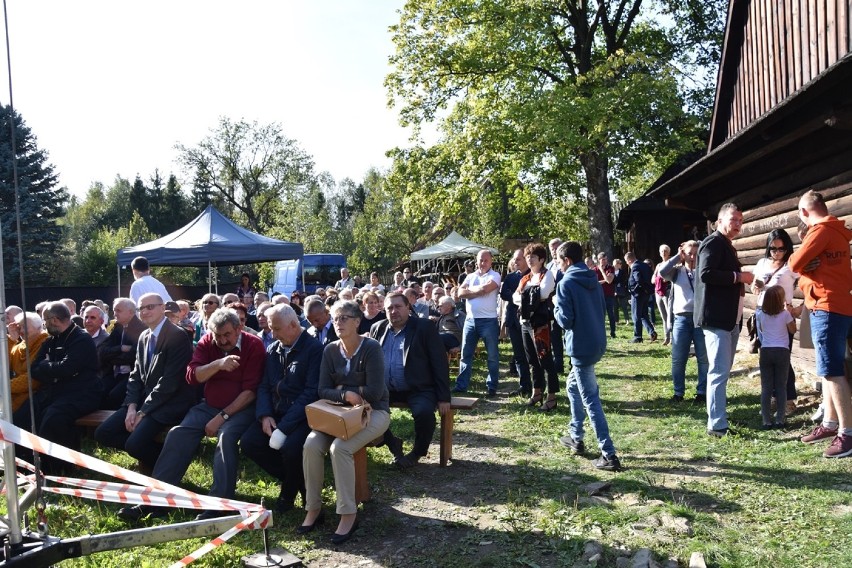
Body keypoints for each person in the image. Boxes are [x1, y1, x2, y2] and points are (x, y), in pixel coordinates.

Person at [118, 307, 264, 521]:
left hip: (241, 408)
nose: (222, 341)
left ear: (239, 328)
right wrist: (218, 364)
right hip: (209, 406)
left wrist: (222, 417)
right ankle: (157, 500)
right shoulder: (207, 342)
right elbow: (192, 376)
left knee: (226, 437)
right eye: (218, 335)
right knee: (178, 433)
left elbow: (250, 392)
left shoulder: (254, 345)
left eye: (227, 335)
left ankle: (220, 505)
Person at [300, 301, 390, 544]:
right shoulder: (329, 350)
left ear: (357, 321)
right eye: (336, 318)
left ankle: (348, 513)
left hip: (374, 413)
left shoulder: (371, 348)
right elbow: (322, 390)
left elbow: (374, 391)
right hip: (336, 413)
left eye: (344, 318)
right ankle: (313, 508)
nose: (338, 323)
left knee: (340, 448)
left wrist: (342, 387)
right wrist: (345, 394)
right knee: (311, 444)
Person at [95, 293, 195, 475]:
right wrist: (131, 406)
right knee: (103, 433)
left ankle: (168, 469)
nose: (145, 311)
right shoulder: (144, 336)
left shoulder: (177, 336)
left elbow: (169, 383)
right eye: (141, 308)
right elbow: (135, 375)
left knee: (134, 444)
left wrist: (143, 411)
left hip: (169, 402)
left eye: (150, 307)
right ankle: (162, 461)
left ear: (163, 307)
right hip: (144, 400)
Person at [240, 304, 322, 513]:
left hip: (302, 416)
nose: (273, 334)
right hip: (275, 413)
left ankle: (288, 491)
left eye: (276, 329)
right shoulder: (273, 350)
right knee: (249, 443)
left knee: (292, 448)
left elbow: (311, 393)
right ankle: (296, 483)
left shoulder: (314, 350)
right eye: (270, 328)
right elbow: (265, 386)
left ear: (294, 325)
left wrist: (284, 428)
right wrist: (265, 416)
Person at [789, 190, 852, 457]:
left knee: (832, 370)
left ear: (804, 212)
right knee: (827, 367)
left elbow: (794, 262)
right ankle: (829, 423)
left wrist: (804, 273)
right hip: (839, 306)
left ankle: (847, 434)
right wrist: (809, 272)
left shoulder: (819, 231)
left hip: (826, 308)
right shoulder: (839, 231)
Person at [554, 242, 622, 471]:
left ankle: (609, 454)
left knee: (590, 399)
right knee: (572, 387)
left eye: (558, 260)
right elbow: (602, 308)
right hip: (596, 341)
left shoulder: (565, 283)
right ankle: (576, 436)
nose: (558, 264)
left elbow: (566, 321)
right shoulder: (593, 277)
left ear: (567, 260)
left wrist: (555, 305)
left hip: (581, 347)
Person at [16, 302, 102, 474]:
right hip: (55, 392)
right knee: (23, 415)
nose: (44, 325)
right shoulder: (50, 341)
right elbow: (34, 369)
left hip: (82, 393)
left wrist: (48, 367)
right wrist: (54, 368)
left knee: (52, 420)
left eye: (45, 320)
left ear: (54, 320)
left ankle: (56, 469)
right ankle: (23, 465)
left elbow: (68, 368)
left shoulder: (81, 339)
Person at [370, 291, 450, 468]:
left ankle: (417, 453)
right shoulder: (378, 328)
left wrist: (444, 397)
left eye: (398, 306)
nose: (393, 311)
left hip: (418, 387)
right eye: (389, 307)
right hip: (386, 389)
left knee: (423, 414)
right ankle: (392, 443)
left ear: (408, 307)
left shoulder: (424, 327)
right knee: (364, 411)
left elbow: (439, 361)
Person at [694, 203, 753, 437]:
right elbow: (705, 274)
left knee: (722, 371)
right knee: (718, 371)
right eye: (733, 219)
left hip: (729, 318)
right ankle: (716, 425)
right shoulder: (713, 242)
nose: (737, 224)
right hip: (717, 318)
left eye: (740, 220)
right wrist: (738, 276)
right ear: (718, 222)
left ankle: (718, 417)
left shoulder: (725, 244)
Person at [751, 229, 800, 415]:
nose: (777, 252)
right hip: (763, 316)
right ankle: (773, 397)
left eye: (781, 248)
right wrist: (755, 285)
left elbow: (809, 281)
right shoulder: (762, 263)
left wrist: (798, 308)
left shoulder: (791, 265)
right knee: (767, 358)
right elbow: (754, 283)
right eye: (773, 248)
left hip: (782, 316)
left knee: (783, 358)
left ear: (787, 248)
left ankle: (788, 399)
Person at [659, 240, 708, 403]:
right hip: (681, 318)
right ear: (683, 254)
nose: (692, 256)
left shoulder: (703, 271)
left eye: (696, 253)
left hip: (700, 319)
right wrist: (676, 258)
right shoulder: (677, 272)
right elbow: (662, 272)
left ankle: (702, 392)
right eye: (689, 253)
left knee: (703, 357)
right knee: (679, 358)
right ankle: (678, 393)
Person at [513, 243, 559, 411]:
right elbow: (514, 297)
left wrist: (527, 295)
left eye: (532, 257)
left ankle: (552, 396)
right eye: (527, 256)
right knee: (532, 359)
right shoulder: (525, 278)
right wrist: (530, 295)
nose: (529, 259)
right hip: (525, 322)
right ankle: (537, 392)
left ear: (541, 259)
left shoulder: (547, 275)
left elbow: (543, 294)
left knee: (545, 358)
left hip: (540, 323)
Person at [453, 249, 502, 396]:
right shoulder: (470, 276)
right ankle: (461, 386)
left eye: (486, 260)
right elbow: (460, 293)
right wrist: (478, 291)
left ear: (491, 261)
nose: (483, 263)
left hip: (489, 320)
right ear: (476, 261)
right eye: (481, 260)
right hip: (470, 320)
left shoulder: (495, 275)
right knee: (465, 355)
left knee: (492, 356)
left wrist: (471, 292)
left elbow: (486, 289)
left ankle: (492, 386)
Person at [756, 286, 796, 429]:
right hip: (782, 351)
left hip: (766, 351)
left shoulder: (760, 314)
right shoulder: (785, 314)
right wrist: (790, 314)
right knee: (781, 386)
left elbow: (761, 329)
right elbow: (793, 330)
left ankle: (766, 420)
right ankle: (780, 419)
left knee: (766, 387)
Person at [500, 248, 532, 396]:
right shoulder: (510, 277)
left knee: (532, 355)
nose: (515, 262)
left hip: (530, 321)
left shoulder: (534, 276)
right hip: (513, 320)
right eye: (514, 259)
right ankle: (524, 386)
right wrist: (515, 296)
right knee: (519, 355)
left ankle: (537, 387)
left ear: (526, 260)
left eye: (518, 259)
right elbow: (503, 293)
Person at [8, 311, 49, 412]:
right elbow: (4, 367)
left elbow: (33, 380)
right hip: (14, 394)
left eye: (25, 327)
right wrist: (11, 340)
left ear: (38, 328)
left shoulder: (46, 343)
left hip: (37, 397)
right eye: (19, 327)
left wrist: (5, 387)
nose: (21, 331)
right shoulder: (18, 347)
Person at [625, 251, 657, 343]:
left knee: (636, 316)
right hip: (646, 294)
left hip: (638, 294)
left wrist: (636, 290)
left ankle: (638, 336)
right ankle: (652, 332)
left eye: (626, 261)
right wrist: (648, 290)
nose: (627, 263)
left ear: (629, 260)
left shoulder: (635, 266)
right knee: (643, 315)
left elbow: (638, 279)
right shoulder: (645, 265)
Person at [547, 238, 565, 374]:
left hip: (566, 304)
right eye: (552, 248)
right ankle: (558, 364)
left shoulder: (567, 266)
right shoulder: (548, 267)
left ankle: (573, 364)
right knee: (555, 336)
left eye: (556, 247)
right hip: (551, 307)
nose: (554, 250)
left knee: (568, 335)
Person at [653, 245, 673, 346]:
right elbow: (653, 278)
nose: (663, 252)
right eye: (662, 251)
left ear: (669, 252)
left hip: (667, 291)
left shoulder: (671, 263)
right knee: (663, 316)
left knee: (670, 315)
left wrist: (664, 278)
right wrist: (656, 279)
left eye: (665, 251)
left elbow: (671, 277)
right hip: (658, 292)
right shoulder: (658, 265)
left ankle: (673, 338)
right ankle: (666, 338)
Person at [594, 251, 617, 339]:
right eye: (602, 260)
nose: (604, 261)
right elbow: (594, 283)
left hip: (609, 295)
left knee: (611, 314)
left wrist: (602, 271)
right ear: (599, 260)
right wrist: (604, 280)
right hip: (599, 295)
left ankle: (613, 332)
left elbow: (609, 280)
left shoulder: (610, 268)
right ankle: (601, 333)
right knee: (600, 315)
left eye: (605, 259)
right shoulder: (594, 270)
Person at [612, 259, 630, 324]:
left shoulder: (622, 272)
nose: (621, 265)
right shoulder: (611, 272)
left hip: (621, 291)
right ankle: (616, 321)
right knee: (615, 306)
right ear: (616, 264)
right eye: (620, 264)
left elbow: (623, 281)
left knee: (624, 305)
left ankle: (627, 320)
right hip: (613, 291)